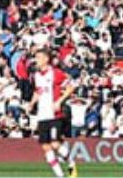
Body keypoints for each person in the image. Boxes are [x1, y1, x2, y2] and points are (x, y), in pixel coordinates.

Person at [29, 48, 77, 178]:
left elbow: (72, 86)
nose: (36, 60)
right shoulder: (36, 75)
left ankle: (71, 163)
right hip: (42, 115)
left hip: (54, 114)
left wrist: (59, 101)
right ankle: (60, 175)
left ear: (46, 59)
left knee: (55, 144)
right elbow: (38, 91)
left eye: (39, 58)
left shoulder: (56, 73)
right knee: (46, 147)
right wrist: (32, 103)